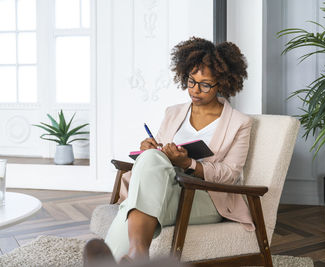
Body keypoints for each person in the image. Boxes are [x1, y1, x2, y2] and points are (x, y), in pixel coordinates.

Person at [84, 37, 255, 265]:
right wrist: (148, 149)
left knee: (134, 204)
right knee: (152, 160)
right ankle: (138, 254)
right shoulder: (173, 112)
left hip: (204, 198)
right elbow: (158, 155)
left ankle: (119, 259)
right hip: (165, 188)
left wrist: (189, 164)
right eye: (191, 81)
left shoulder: (239, 123)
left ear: (222, 83)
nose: (195, 90)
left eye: (205, 85)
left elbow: (230, 173)